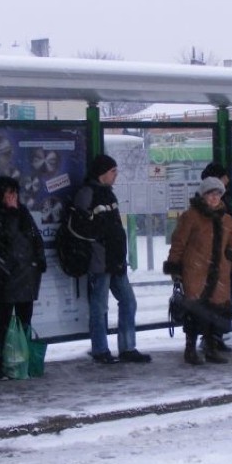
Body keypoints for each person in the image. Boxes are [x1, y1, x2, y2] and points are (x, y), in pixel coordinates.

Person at [73, 154, 151, 364]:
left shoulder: (108, 194)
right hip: (99, 260)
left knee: (128, 302)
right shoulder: (87, 194)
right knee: (99, 307)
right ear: (102, 173)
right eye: (112, 171)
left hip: (115, 259)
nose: (116, 175)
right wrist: (102, 236)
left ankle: (127, 347)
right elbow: (78, 226)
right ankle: (100, 350)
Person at [163, 177, 232, 365]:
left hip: (219, 273)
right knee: (195, 311)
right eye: (210, 194)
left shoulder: (227, 219)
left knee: (215, 311)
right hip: (196, 272)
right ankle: (190, 348)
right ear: (203, 195)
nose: (214, 198)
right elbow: (179, 242)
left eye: (218, 194)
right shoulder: (191, 216)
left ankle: (210, 346)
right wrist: (175, 266)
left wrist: (231, 256)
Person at [0, 176, 47, 379]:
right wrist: (11, 213)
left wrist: (39, 259)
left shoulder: (23, 212)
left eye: (15, 193)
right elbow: (6, 240)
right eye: (8, 193)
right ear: (0, 195)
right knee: (2, 322)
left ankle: (22, 360)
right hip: (6, 276)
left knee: (24, 321)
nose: (13, 197)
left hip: (26, 276)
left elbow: (35, 237)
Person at [199, 162, 232, 352]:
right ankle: (214, 335)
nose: (228, 180)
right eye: (225, 176)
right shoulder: (221, 202)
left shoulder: (203, 201)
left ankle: (213, 335)